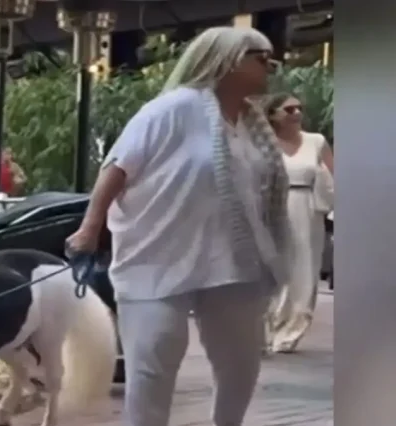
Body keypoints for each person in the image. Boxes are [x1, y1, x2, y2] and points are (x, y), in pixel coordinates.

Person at [65, 26, 289, 426]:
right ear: (227, 59)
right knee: (152, 363)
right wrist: (89, 228)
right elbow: (116, 167)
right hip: (158, 258)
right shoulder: (172, 109)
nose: (272, 66)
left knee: (241, 364)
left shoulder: (253, 125)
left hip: (233, 261)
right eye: (262, 58)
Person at [262, 93, 334, 353]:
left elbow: (335, 177)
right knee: (273, 270)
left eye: (299, 108)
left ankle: (291, 332)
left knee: (304, 272)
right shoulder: (264, 142)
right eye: (289, 109)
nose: (296, 113)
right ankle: (266, 330)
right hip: (272, 207)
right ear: (273, 115)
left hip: (306, 209)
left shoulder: (316, 141)